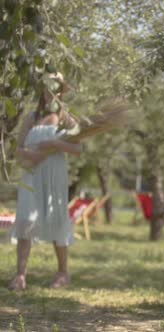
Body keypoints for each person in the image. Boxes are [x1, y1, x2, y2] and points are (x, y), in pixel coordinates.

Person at [8, 72, 82, 291]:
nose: (50, 89)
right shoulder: (31, 117)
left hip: (54, 175)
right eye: (47, 85)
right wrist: (28, 155)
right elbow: (18, 147)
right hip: (31, 174)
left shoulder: (65, 117)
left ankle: (63, 273)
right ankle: (20, 275)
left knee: (56, 220)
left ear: (60, 89)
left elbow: (78, 148)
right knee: (25, 220)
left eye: (56, 85)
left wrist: (55, 144)